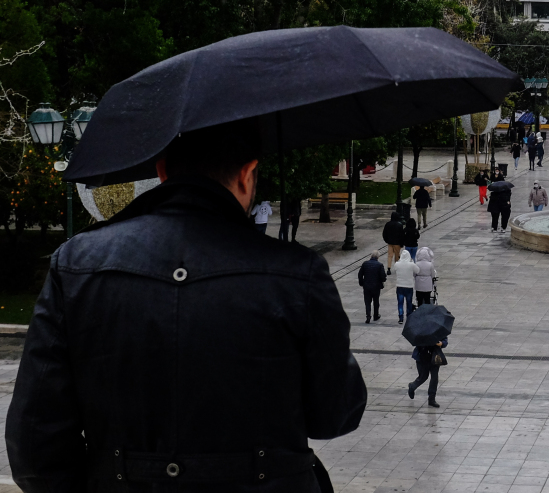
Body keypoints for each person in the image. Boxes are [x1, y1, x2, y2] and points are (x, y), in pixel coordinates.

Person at [6, 119, 366, 492]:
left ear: (161, 171)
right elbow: (335, 415)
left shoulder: (76, 263)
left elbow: (34, 441)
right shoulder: (298, 273)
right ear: (247, 174)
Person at [408, 336, 448, 409]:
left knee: (434, 378)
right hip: (422, 356)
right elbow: (415, 341)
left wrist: (441, 343)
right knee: (423, 377)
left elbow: (445, 341)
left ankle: (431, 399)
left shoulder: (437, 329)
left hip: (434, 356)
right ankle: (412, 386)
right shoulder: (420, 330)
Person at [357, 252, 387, 323]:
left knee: (367, 301)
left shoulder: (365, 264)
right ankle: (376, 315)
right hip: (376, 286)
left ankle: (368, 316)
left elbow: (360, 274)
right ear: (378, 257)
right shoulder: (380, 265)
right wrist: (383, 281)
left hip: (366, 286)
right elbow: (383, 276)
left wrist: (361, 283)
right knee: (376, 301)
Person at [393, 249, 420, 324]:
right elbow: (418, 270)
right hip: (409, 286)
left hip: (399, 286)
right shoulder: (411, 264)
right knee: (409, 302)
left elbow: (395, 270)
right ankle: (409, 316)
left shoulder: (397, 264)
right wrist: (412, 262)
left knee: (400, 303)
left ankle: (401, 318)